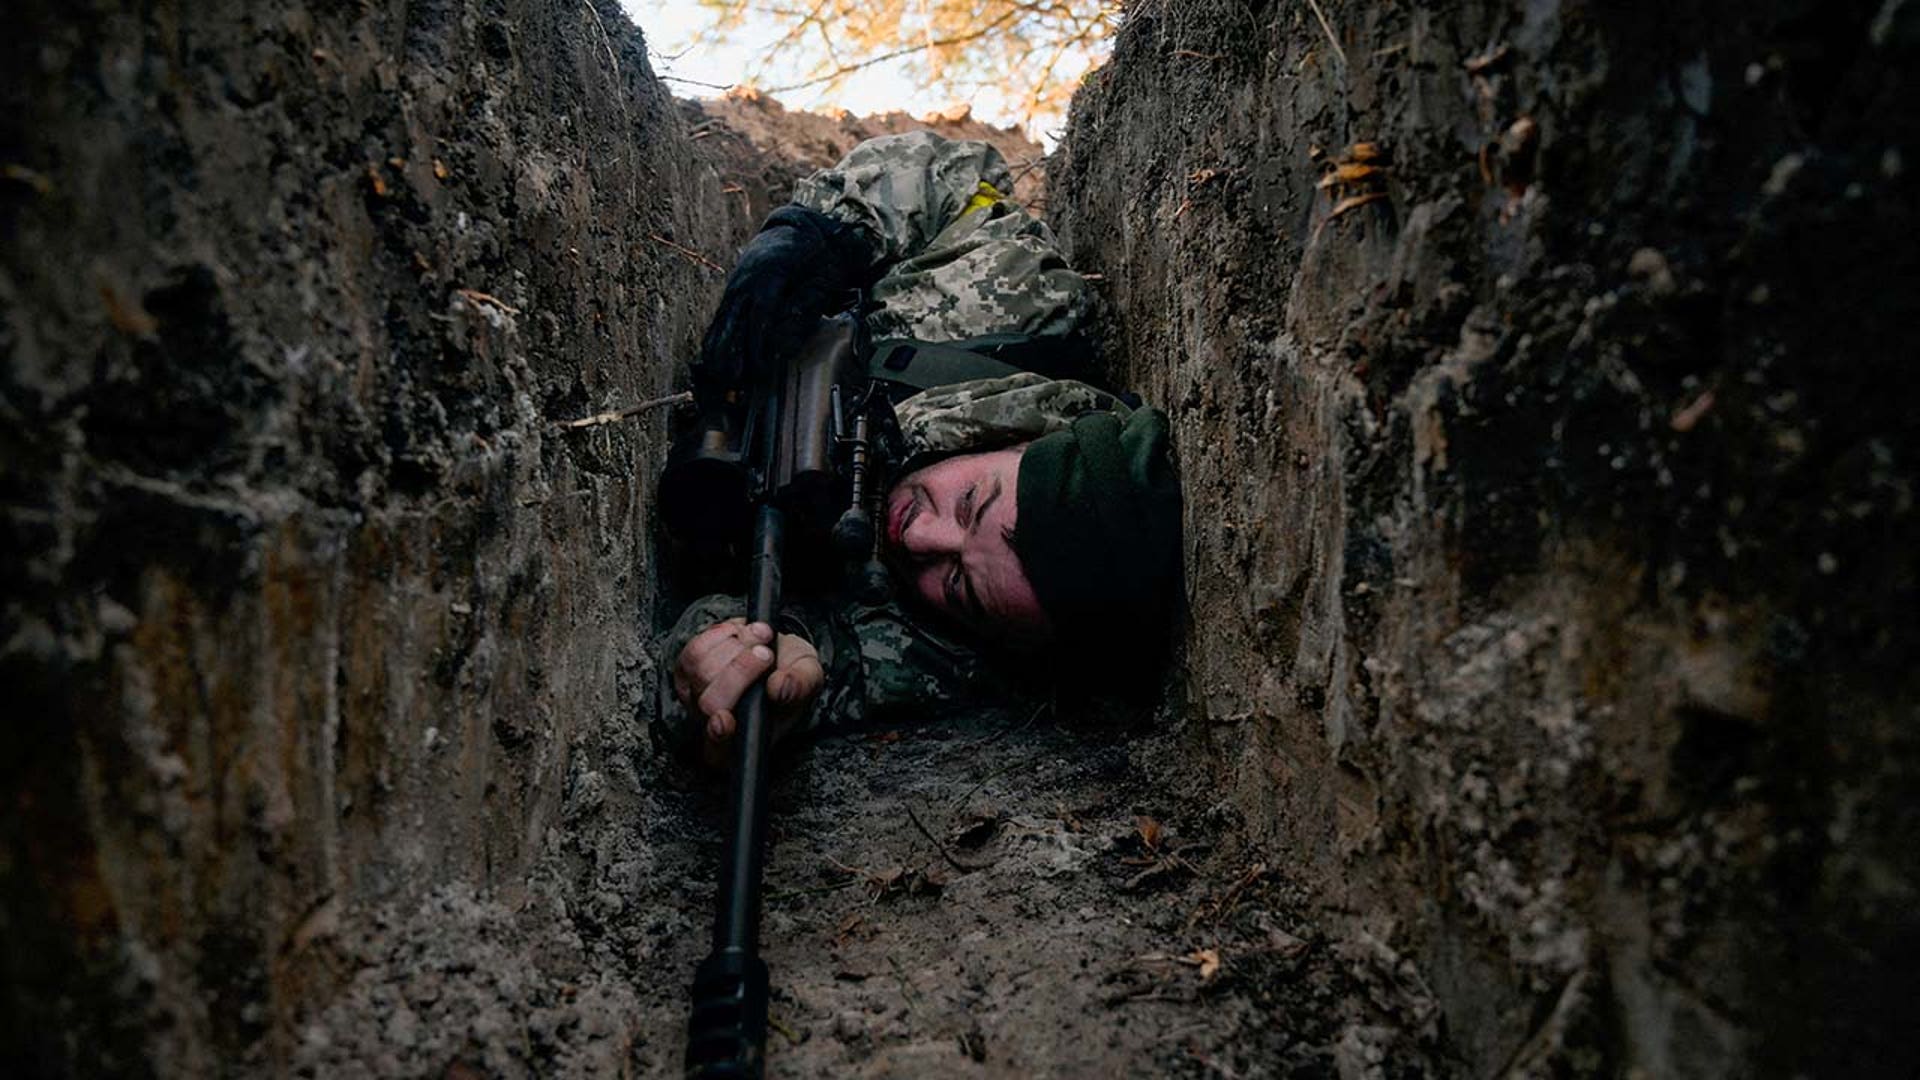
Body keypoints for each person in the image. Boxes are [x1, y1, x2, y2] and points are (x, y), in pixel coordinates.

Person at [658, 131, 1182, 769]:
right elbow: (958, 169)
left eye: (958, 584)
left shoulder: (960, 652)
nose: (919, 539)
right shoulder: (1024, 306)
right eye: (969, 503)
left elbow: (783, 665)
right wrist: (822, 235)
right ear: (1024, 437)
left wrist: (732, 666)